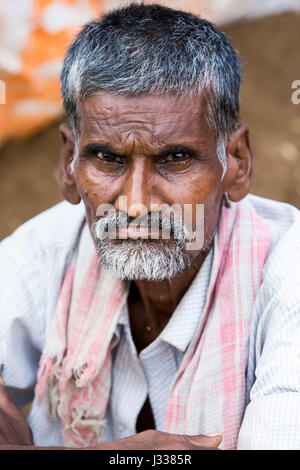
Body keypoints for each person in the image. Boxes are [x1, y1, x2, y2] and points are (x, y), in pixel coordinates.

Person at [0, 3, 300, 451]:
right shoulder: (47, 250)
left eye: (176, 158)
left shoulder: (288, 276)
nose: (136, 205)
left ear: (236, 162)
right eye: (107, 157)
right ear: (68, 164)